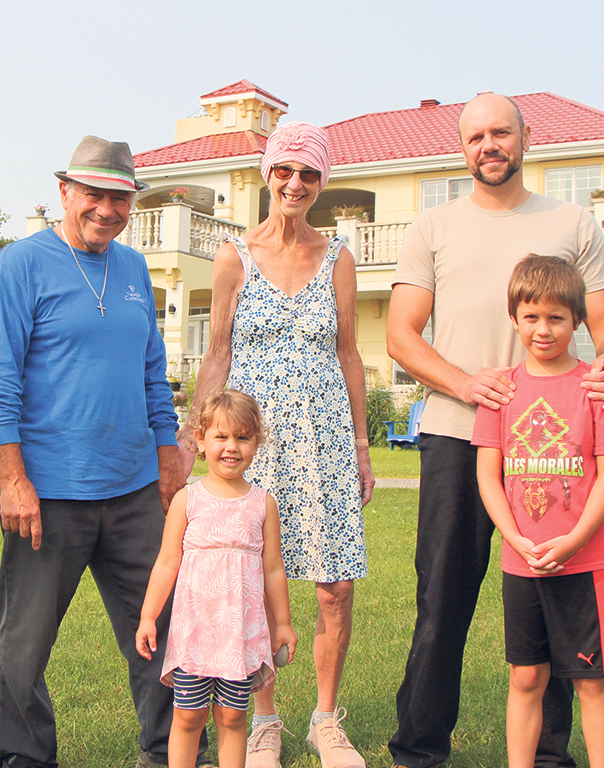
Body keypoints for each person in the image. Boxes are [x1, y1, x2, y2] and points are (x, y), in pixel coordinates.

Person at [385, 92, 604, 768]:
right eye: (475, 136)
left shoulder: (573, 222)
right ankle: (419, 749)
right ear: (462, 149)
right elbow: (401, 335)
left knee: (552, 594)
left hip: (552, 440)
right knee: (442, 599)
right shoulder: (432, 227)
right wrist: (466, 383)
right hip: (455, 433)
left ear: (527, 138)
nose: (489, 145)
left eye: (501, 132)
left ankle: (547, 756)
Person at [0, 136, 202, 768]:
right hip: (48, 494)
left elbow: (153, 372)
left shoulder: (132, 269)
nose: (106, 208)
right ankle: (25, 758)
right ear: (65, 193)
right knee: (23, 649)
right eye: (93, 194)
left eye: (119, 197)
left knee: (163, 634)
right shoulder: (20, 264)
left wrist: (166, 457)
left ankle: (173, 753)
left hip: (134, 491)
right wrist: (13, 480)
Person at [186, 120, 373, 768]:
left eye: (309, 174)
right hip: (254, 443)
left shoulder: (339, 257)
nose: (295, 184)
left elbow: (350, 354)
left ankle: (326, 719)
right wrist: (192, 440)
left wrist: (362, 446)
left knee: (333, 588)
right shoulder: (234, 255)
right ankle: (263, 719)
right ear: (269, 174)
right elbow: (218, 353)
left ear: (322, 182)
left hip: (323, 444)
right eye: (285, 170)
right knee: (252, 579)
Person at [472, 255, 604, 768]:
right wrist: (514, 539)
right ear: (514, 318)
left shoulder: (595, 390)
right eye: (532, 316)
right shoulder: (501, 392)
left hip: (585, 563)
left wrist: (575, 539)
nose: (544, 329)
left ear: (578, 321)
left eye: (557, 317)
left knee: (591, 681)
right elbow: (487, 475)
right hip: (523, 562)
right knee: (526, 676)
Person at [136, 389, 298, 768]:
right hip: (194, 633)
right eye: (221, 437)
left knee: (231, 716)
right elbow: (165, 564)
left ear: (257, 443)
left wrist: (284, 624)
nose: (231, 447)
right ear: (201, 441)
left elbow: (273, 568)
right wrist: (147, 616)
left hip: (240, 634)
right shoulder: (187, 500)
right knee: (189, 716)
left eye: (243, 437)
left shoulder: (262, 503)